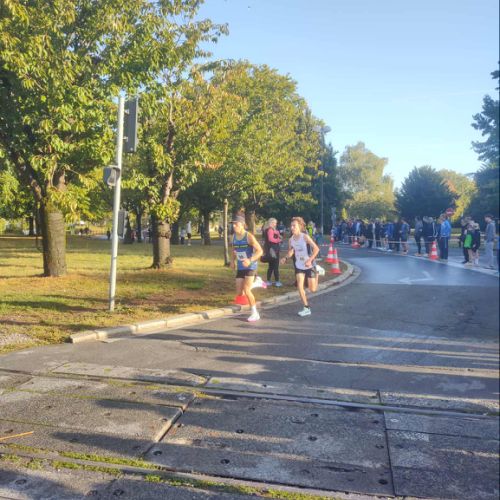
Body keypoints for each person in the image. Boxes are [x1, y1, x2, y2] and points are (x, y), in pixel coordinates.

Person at [280, 217, 320, 317]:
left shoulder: (305, 237)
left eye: (294, 226)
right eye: (291, 226)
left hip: (309, 264)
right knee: (300, 286)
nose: (292, 227)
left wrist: (310, 260)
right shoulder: (291, 240)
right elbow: (290, 252)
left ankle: (317, 273)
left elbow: (316, 249)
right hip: (299, 265)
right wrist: (285, 258)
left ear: (300, 226)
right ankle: (306, 308)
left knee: (313, 289)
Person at [231, 213, 263, 322]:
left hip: (251, 266)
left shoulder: (249, 236)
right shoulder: (233, 237)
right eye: (233, 224)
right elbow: (233, 249)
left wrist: (250, 260)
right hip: (241, 266)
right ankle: (257, 283)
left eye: (236, 224)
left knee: (247, 289)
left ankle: (255, 313)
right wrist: (232, 261)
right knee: (240, 292)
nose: (234, 226)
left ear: (242, 225)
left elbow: (260, 251)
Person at [262, 218, 282, 287]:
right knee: (275, 266)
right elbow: (271, 239)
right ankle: (277, 281)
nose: (275, 224)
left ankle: (268, 281)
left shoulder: (269, 230)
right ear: (270, 223)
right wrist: (278, 240)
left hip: (270, 250)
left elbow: (277, 235)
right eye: (274, 223)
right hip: (273, 250)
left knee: (271, 266)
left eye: (276, 223)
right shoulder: (270, 230)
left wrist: (278, 235)